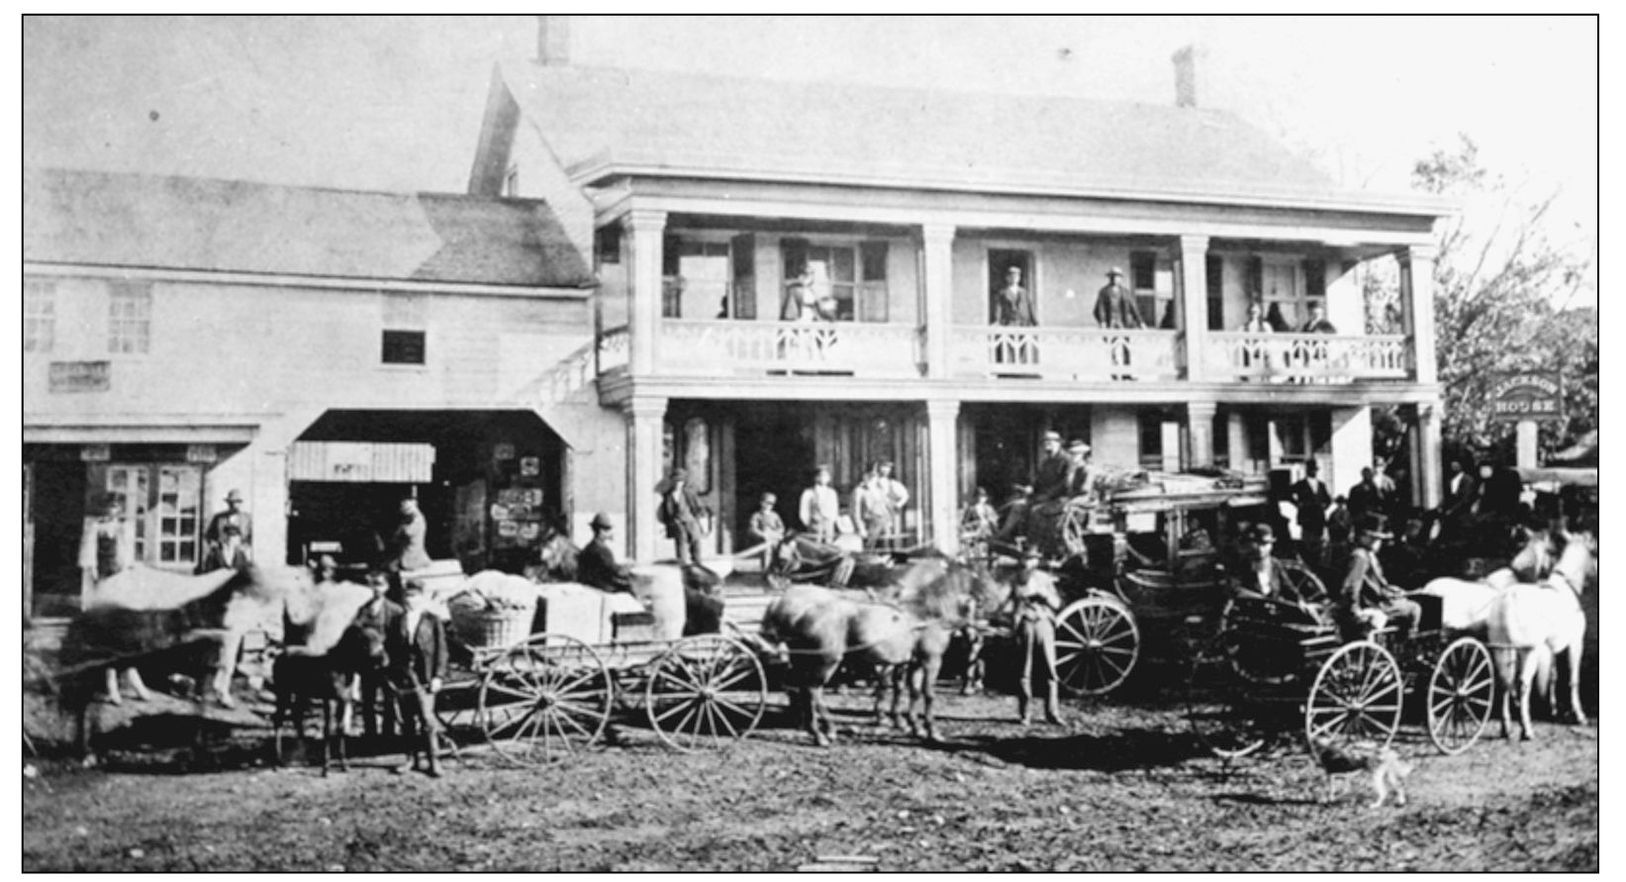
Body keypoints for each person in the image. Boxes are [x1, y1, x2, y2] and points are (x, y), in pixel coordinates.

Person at [77, 493, 150, 705]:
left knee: (124, 635)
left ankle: (132, 679)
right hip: (103, 582)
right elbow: (89, 560)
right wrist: (93, 583)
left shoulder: (124, 528)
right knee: (108, 636)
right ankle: (111, 685)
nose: (112, 511)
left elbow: (128, 559)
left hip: (121, 583)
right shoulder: (95, 528)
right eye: (109, 507)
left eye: (116, 507)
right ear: (104, 509)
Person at [386, 578, 448, 778]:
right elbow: (391, 650)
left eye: (414, 596)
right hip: (404, 676)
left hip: (425, 677)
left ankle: (433, 761)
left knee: (427, 720)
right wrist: (392, 675)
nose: (410, 600)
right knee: (407, 720)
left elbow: (442, 651)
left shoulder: (432, 620)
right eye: (408, 596)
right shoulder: (397, 621)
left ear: (422, 598)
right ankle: (411, 759)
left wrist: (438, 676)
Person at [1005, 547, 1065, 726]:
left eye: (1031, 559)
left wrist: (1044, 595)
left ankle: (1052, 713)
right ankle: (1025, 714)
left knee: (1050, 669)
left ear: (1037, 561)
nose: (1028, 562)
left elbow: (1058, 603)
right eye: (1025, 559)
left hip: (1043, 623)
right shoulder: (1016, 580)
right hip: (1025, 623)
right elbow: (1008, 604)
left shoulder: (1044, 579)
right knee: (1024, 669)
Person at [1336, 513, 1420, 641]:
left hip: (1375, 600)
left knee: (1405, 601)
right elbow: (1352, 586)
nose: (1379, 543)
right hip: (1374, 604)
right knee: (1415, 608)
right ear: (1365, 537)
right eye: (1376, 539)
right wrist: (1355, 610)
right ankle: (1409, 646)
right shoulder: (1360, 557)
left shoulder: (1363, 553)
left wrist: (1392, 591)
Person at [356, 570, 403, 741]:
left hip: (387, 662)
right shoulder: (361, 610)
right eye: (371, 585)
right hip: (367, 663)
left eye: (379, 585)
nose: (375, 589)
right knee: (367, 699)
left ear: (387, 587)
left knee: (389, 698)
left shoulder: (395, 611)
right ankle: (370, 735)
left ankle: (388, 735)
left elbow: (400, 639)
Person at [1232, 523, 1316, 607]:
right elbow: (1235, 590)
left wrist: (1300, 601)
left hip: (1274, 612)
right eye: (1257, 543)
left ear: (1271, 545)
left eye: (1265, 544)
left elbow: (1289, 588)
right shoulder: (1242, 565)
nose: (1261, 548)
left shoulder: (1275, 564)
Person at [656, 468, 710, 565]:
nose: (678, 483)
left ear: (684, 482)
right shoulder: (668, 496)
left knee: (696, 545)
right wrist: (666, 525)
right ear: (672, 481)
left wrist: (702, 523)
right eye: (676, 480)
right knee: (681, 547)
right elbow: (666, 512)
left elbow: (698, 508)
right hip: (677, 524)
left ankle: (698, 566)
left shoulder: (688, 493)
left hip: (691, 522)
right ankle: (684, 568)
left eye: (680, 481)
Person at [853, 460, 910, 551]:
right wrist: (860, 528)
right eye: (869, 475)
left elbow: (887, 505)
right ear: (864, 476)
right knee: (869, 551)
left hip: (884, 523)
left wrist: (891, 515)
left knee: (886, 549)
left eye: (874, 476)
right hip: (870, 524)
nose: (872, 478)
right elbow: (855, 512)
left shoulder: (881, 489)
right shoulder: (860, 490)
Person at [576, 513, 633, 593]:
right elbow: (617, 572)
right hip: (603, 590)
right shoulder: (602, 551)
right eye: (608, 530)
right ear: (601, 531)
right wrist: (630, 567)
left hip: (590, 589)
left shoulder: (588, 548)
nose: (611, 533)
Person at [1292, 460, 1333, 569]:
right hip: (1307, 520)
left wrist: (1323, 508)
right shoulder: (1300, 485)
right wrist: (1298, 505)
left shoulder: (1321, 485)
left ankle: (1317, 565)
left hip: (1319, 519)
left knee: (1319, 545)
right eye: (1312, 469)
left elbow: (1328, 500)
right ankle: (1308, 565)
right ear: (1307, 470)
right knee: (1307, 544)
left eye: (1315, 469)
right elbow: (1288, 493)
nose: (1314, 471)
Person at [201, 488, 253, 572]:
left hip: (239, 550)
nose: (234, 504)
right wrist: (214, 544)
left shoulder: (246, 518)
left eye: (237, 502)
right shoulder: (219, 518)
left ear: (240, 503)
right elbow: (208, 535)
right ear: (228, 503)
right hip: (223, 549)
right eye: (231, 502)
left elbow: (252, 536)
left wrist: (245, 546)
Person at [798, 465, 841, 543]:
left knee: (829, 549)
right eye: (821, 475)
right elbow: (803, 512)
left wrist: (831, 521)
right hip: (815, 526)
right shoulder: (808, 493)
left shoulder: (832, 493)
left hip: (828, 527)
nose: (823, 478)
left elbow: (835, 510)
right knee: (815, 549)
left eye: (826, 476)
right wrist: (811, 524)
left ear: (829, 478)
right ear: (816, 478)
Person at [389, 498, 432, 574]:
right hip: (406, 547)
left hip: (413, 548)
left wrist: (403, 529)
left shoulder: (418, 519)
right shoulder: (408, 519)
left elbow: (408, 532)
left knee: (404, 562)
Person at [747, 492, 786, 568]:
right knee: (767, 551)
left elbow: (781, 528)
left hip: (774, 538)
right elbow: (753, 528)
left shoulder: (775, 515)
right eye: (767, 503)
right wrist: (762, 534)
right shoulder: (757, 515)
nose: (769, 506)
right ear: (761, 503)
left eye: (771, 504)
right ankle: (766, 570)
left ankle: (781, 569)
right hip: (763, 539)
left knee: (783, 550)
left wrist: (777, 534)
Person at [1032, 431, 1071, 503]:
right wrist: (1032, 488)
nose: (1046, 444)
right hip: (1044, 496)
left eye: (1050, 442)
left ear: (1058, 443)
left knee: (1034, 511)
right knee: (1016, 505)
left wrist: (1048, 495)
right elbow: (1040, 480)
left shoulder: (1066, 459)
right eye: (1045, 442)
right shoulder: (1046, 462)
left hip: (1060, 498)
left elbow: (1065, 482)